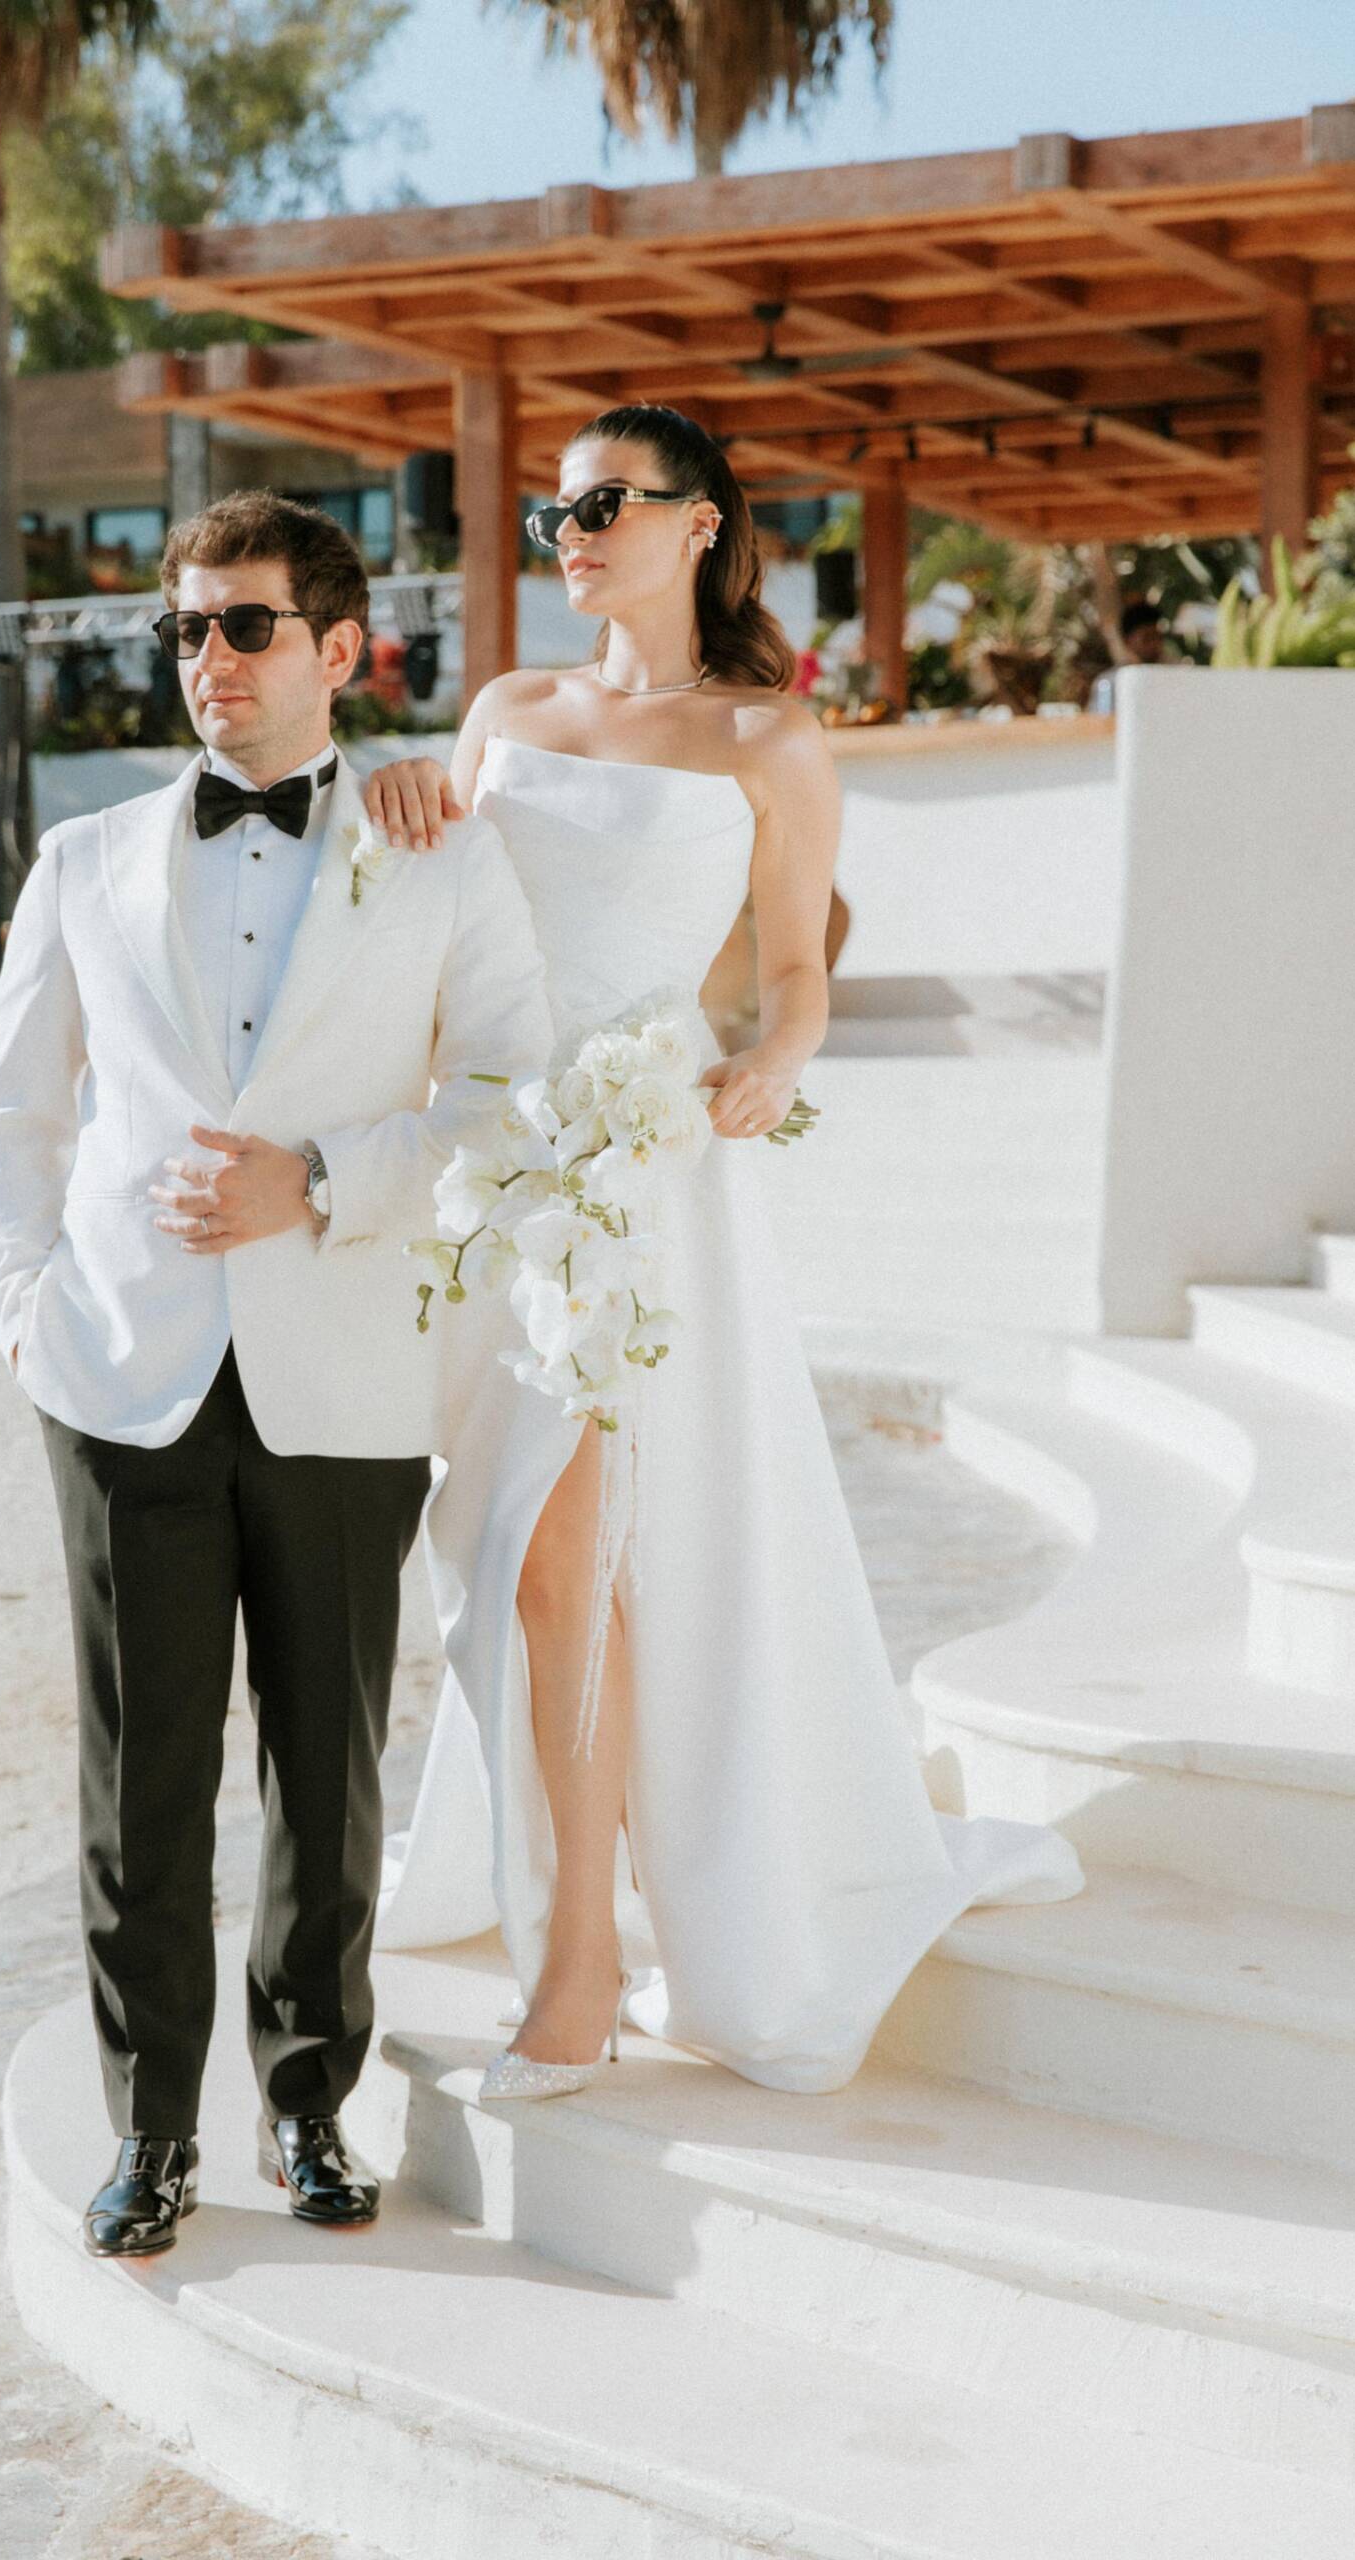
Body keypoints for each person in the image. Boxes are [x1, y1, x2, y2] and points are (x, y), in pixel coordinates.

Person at [362, 403, 1085, 2096]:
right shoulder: (506, 711)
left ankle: (578, 1971)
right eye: (554, 514)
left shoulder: (768, 737)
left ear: (699, 524)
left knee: (576, 1558)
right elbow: (440, 918)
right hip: (502, 1173)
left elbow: (801, 967)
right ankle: (577, 1912)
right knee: (513, 1552)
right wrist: (396, 796)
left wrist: (772, 1061)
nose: (572, 535)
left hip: (652, 1177)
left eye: (605, 505)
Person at [0, 492, 551, 2249]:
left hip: (344, 1367)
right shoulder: (81, 860)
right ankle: (150, 2133)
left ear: (339, 650)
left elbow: (511, 1101)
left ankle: (308, 2110)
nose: (208, 658)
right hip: (117, 1374)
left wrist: (321, 1183)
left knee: (327, 1768)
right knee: (138, 1780)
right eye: (186, 628)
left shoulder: (438, 851)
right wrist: (25, 1311)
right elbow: (12, 1115)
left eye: (245, 624)